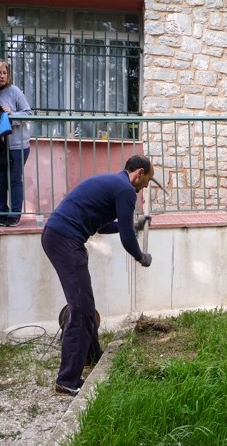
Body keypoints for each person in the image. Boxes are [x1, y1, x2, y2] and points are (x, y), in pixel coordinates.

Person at [42, 155, 155, 396]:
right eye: (145, 183)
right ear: (139, 173)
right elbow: (126, 239)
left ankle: (92, 358)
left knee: (85, 306)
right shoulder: (126, 190)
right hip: (65, 240)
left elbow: (102, 225)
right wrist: (141, 257)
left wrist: (133, 225)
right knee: (81, 310)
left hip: (59, 236)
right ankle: (67, 381)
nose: (143, 188)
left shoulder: (114, 183)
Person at [0, 57, 32, 227]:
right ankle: (1, 214)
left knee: (14, 180)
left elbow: (28, 113)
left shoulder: (14, 91)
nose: (2, 76)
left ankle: (14, 214)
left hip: (17, 144)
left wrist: (11, 114)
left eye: (5, 73)